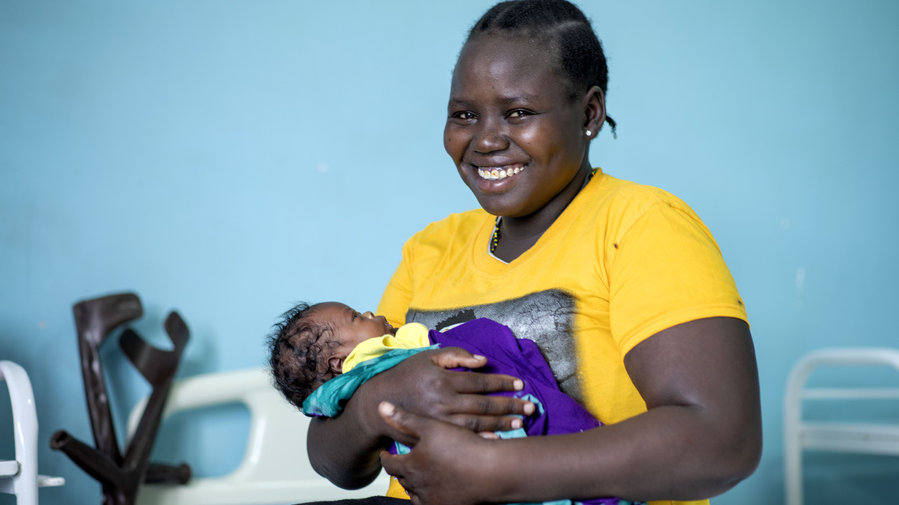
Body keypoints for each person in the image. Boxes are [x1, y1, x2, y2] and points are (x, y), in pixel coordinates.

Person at [304, 1, 762, 504]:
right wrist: (380, 401)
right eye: (464, 115)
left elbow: (722, 442)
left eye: (518, 113)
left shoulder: (640, 225)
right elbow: (333, 459)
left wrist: (495, 470)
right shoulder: (430, 250)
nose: (486, 139)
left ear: (589, 113)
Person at [268, 301, 642, 505]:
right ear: (339, 363)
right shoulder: (376, 351)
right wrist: (378, 400)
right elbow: (325, 451)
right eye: (355, 316)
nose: (369, 312)